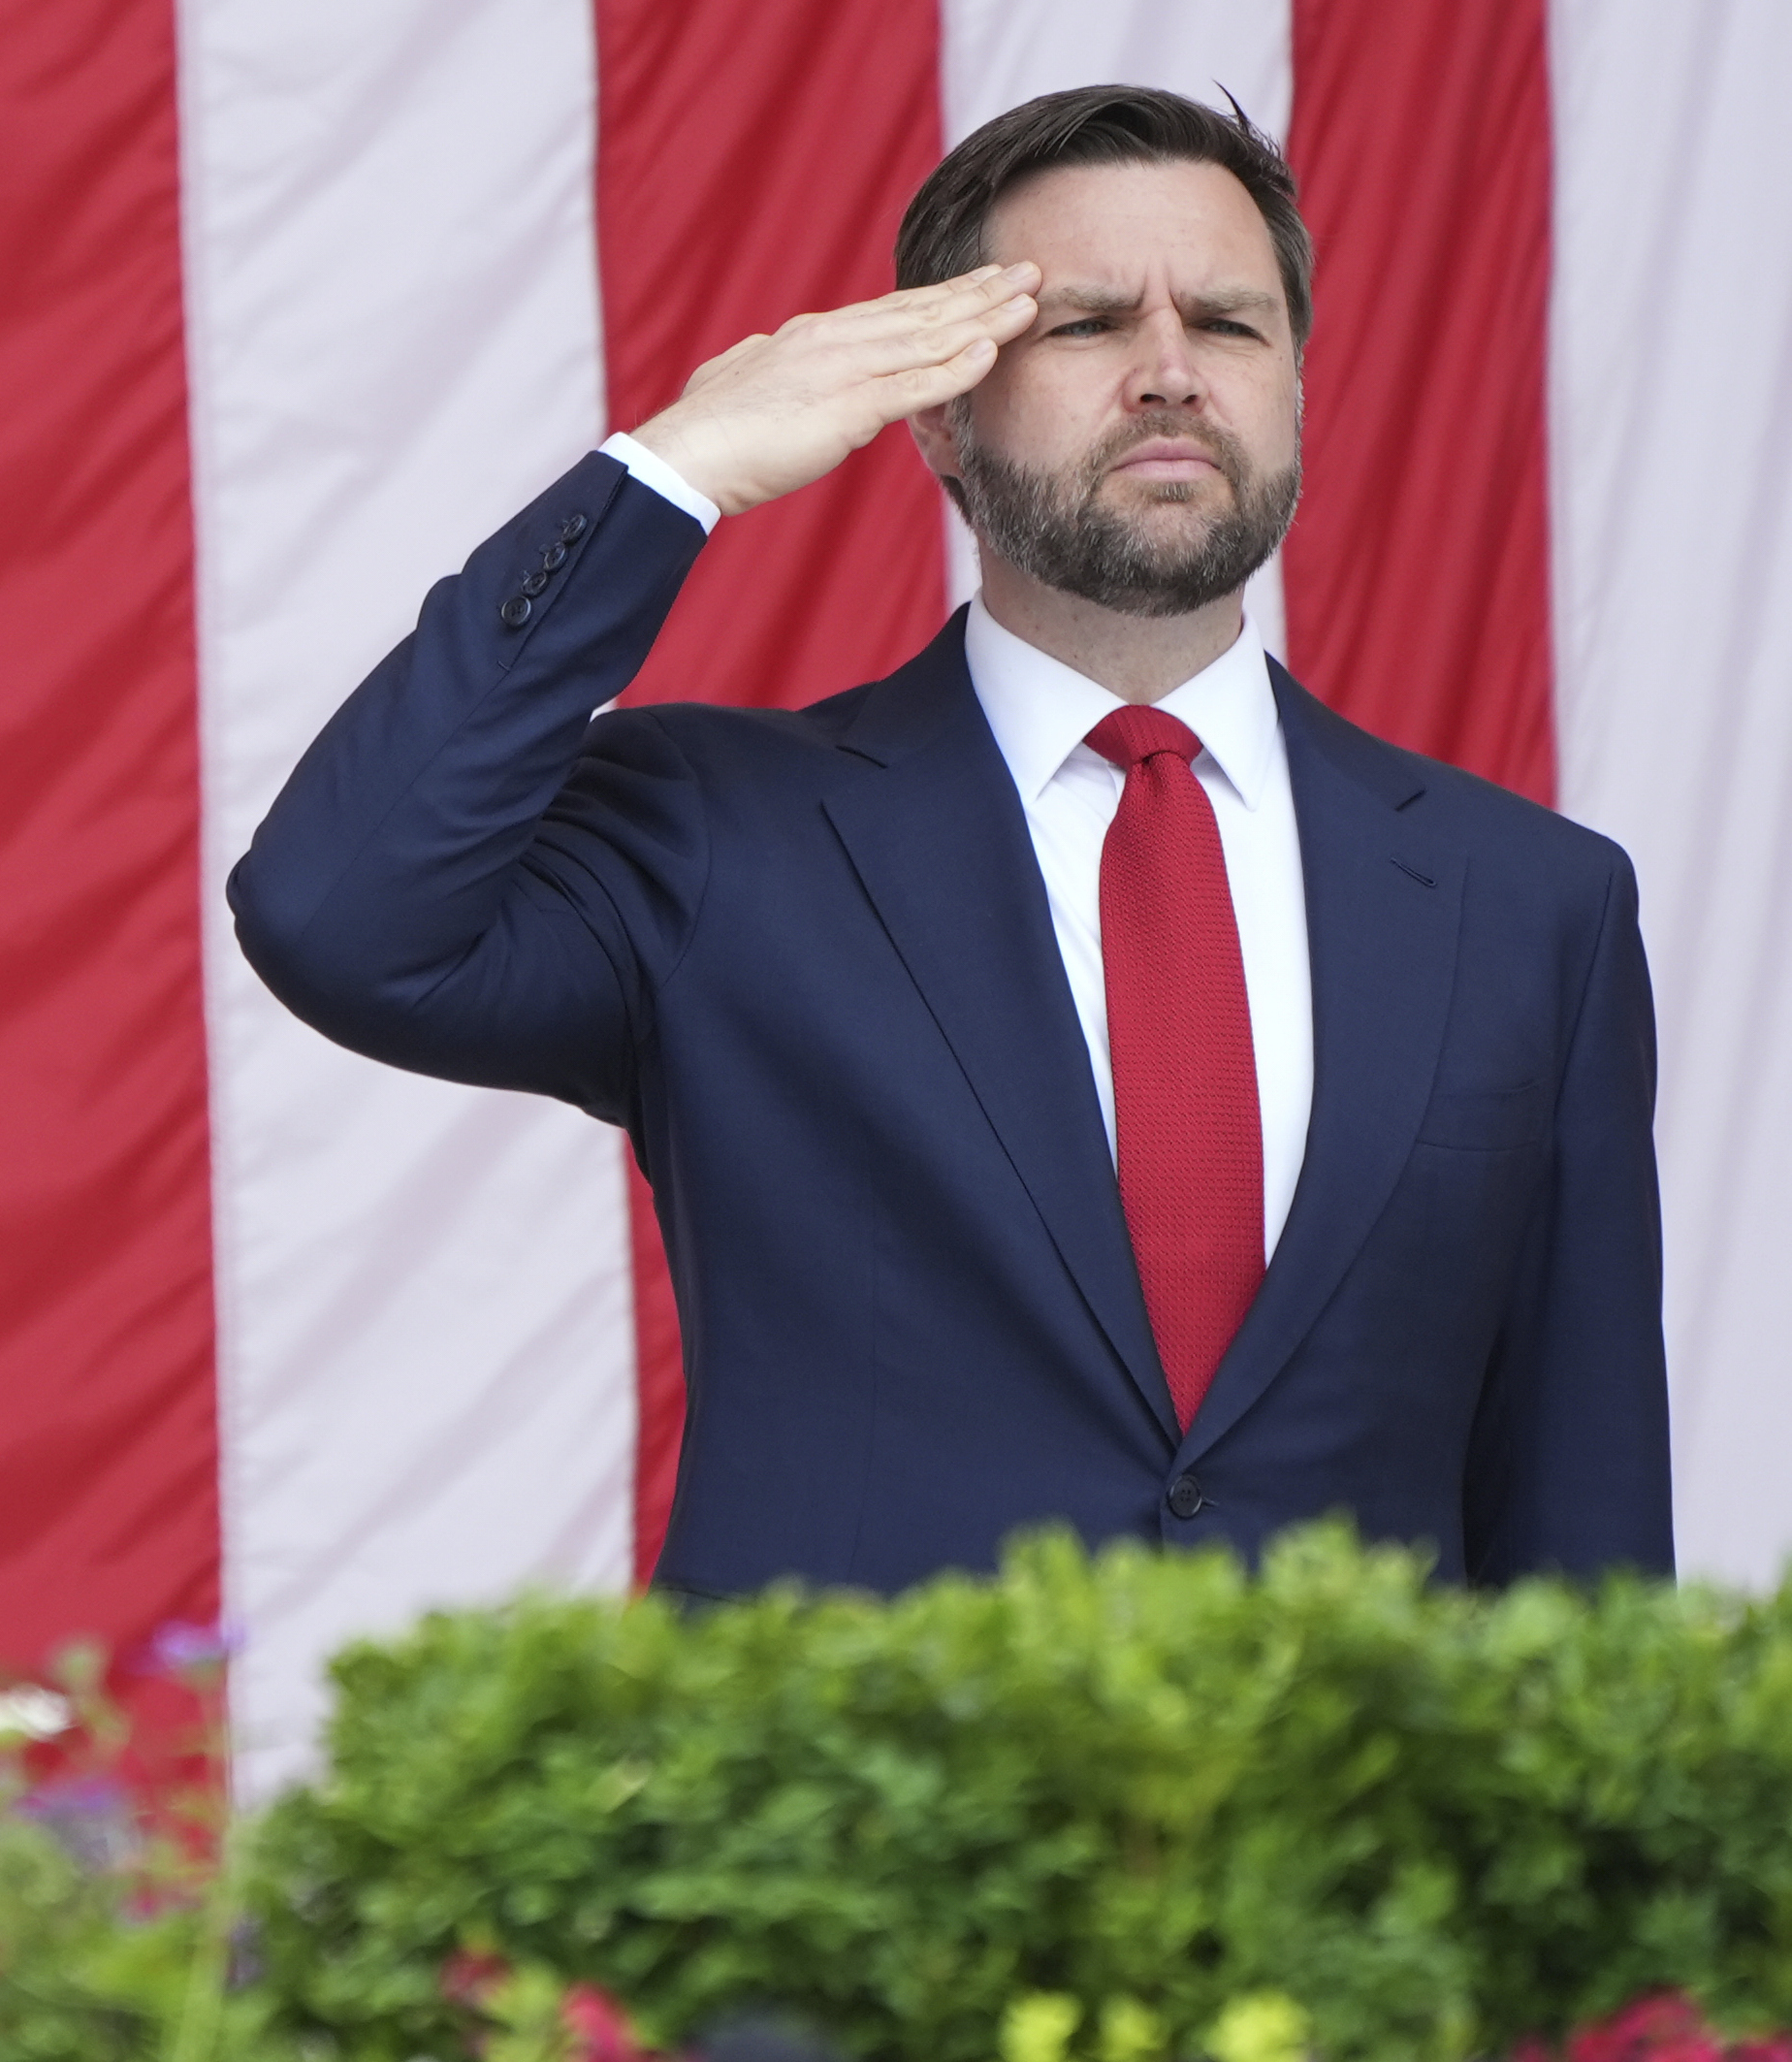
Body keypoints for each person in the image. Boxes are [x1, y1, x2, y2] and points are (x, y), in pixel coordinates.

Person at [232, 84, 1666, 1600]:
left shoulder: (1532, 905)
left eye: (1232, 325)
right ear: (939, 411)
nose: (1171, 373)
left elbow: (1584, 1546)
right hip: (847, 1821)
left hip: (1345, 1831)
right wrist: (674, 474)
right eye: (1090, 323)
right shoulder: (722, 834)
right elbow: (337, 906)